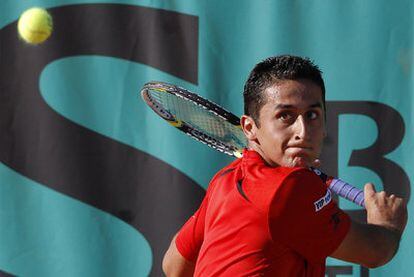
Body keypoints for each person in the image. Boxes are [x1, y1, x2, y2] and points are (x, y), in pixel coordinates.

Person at [162, 55, 408, 276]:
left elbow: (174, 266)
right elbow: (375, 251)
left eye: (312, 115)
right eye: (285, 116)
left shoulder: (225, 180)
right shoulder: (293, 187)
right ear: (249, 127)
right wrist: (387, 223)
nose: (302, 131)